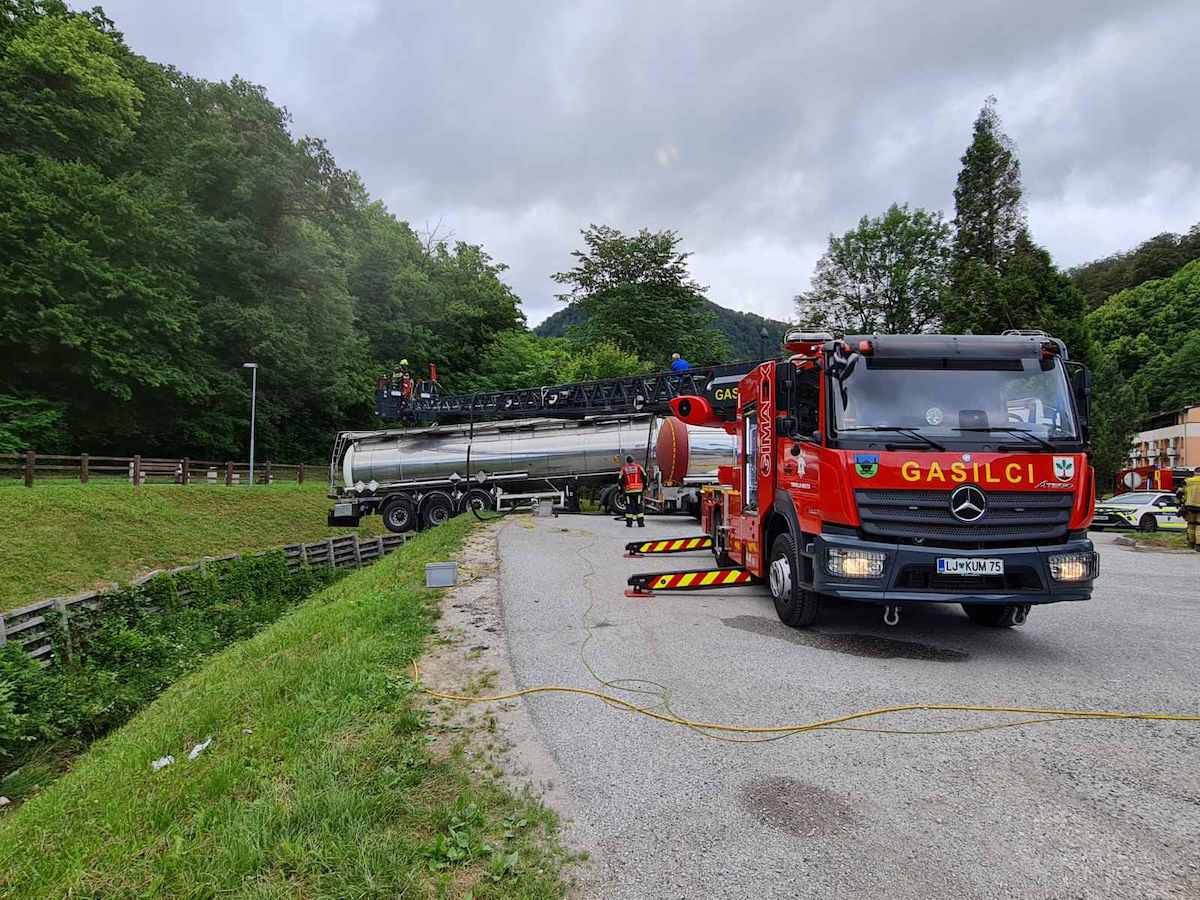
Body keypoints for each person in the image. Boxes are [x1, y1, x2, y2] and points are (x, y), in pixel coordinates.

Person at [619, 454, 647, 528]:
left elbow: (620, 480)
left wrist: (621, 491)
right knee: (639, 506)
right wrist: (645, 487)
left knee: (629, 507)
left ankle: (629, 524)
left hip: (628, 491)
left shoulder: (624, 469)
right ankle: (641, 524)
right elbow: (645, 477)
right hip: (638, 490)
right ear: (633, 460)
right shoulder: (639, 467)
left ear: (627, 461)